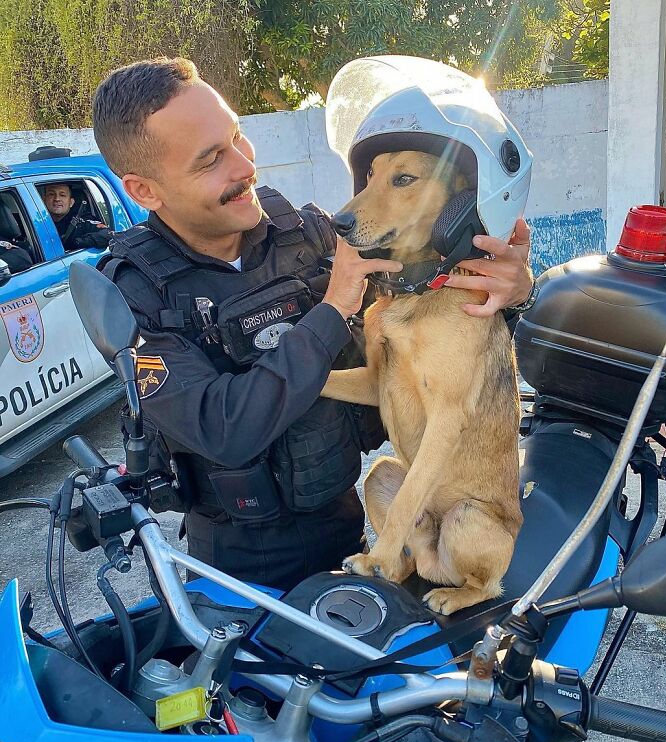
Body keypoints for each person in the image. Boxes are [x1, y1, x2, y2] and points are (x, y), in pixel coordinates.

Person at [92, 57, 534, 589]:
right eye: (211, 160)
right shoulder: (134, 293)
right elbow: (222, 428)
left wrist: (507, 290)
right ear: (144, 191)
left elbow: (435, 319)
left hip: (351, 535)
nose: (244, 167)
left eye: (237, 137)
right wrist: (333, 307)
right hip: (238, 572)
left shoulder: (307, 235)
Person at [42, 183, 113, 251]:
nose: (57, 199)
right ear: (44, 200)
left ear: (71, 202)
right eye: (51, 194)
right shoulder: (36, 223)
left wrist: (77, 243)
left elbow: (109, 234)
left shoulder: (82, 222)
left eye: (62, 195)